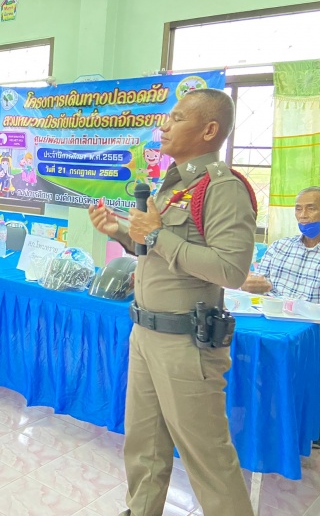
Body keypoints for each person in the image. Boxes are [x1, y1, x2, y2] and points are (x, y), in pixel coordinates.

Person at [88, 89, 256, 516]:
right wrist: (121, 233)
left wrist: (157, 235)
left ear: (209, 130)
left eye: (177, 118)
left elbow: (230, 270)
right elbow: (155, 251)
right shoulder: (173, 184)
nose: (163, 126)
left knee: (208, 458)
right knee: (144, 445)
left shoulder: (222, 188)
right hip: (146, 332)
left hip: (186, 344)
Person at [241, 187, 320, 303]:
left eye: (311, 208)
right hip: (270, 311)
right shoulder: (279, 247)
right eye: (298, 209)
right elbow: (257, 285)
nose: (303, 215)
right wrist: (248, 285)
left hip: (310, 314)